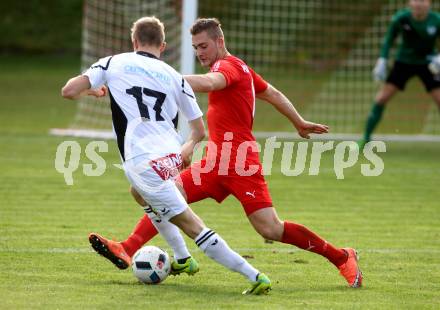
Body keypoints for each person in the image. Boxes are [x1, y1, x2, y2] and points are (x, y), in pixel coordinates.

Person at [90, 17, 363, 288]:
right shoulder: (244, 68)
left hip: (241, 162)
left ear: (220, 41)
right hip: (213, 162)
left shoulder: (228, 66)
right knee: (167, 191)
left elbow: (210, 83)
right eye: (195, 47)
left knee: (270, 228)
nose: (199, 53)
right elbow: (275, 94)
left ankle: (341, 257)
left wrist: (159, 79)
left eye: (203, 46)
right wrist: (299, 122)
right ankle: (128, 247)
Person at [62, 16, 271, 295]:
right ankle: (183, 259)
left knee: (193, 226)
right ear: (163, 45)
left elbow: (68, 91)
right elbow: (198, 130)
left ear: (134, 41)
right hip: (169, 157)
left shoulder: (113, 62)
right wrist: (185, 152)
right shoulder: (174, 76)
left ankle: (255, 276)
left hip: (144, 163)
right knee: (139, 194)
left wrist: (91, 90)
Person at [362, 0, 440, 147]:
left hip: (428, 64)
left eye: (422, 0)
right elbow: (389, 40)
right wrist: (382, 59)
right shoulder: (401, 18)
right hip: (404, 62)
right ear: (410, 3)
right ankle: (365, 139)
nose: (419, 4)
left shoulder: (436, 20)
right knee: (381, 98)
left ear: (429, 3)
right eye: (415, 0)